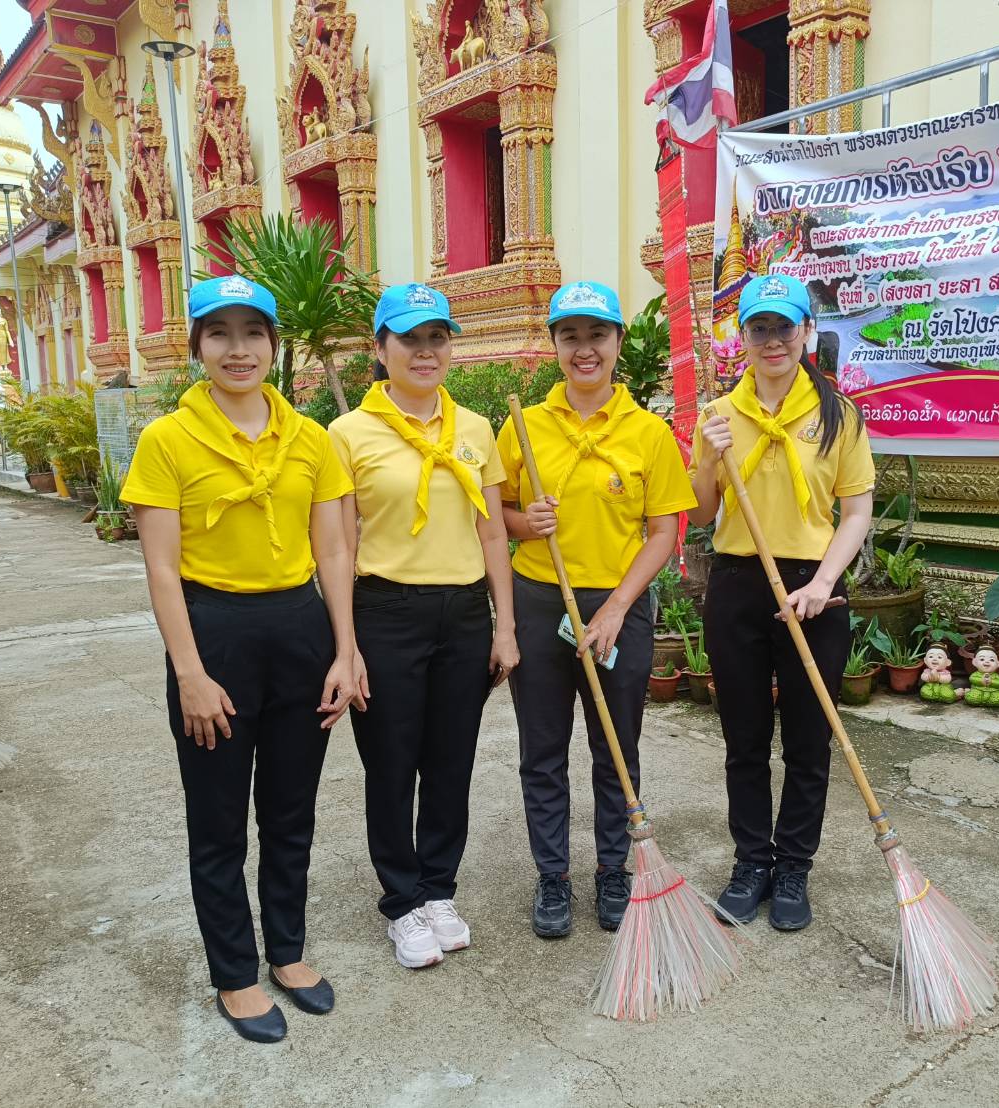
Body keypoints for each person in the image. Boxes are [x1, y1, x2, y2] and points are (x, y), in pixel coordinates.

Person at [121, 275, 365, 1044]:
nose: (238, 349)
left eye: (252, 333)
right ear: (197, 347)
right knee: (220, 821)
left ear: (273, 345)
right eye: (219, 333)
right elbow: (161, 567)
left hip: (300, 631)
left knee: (292, 811)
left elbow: (332, 549)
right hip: (214, 631)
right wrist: (190, 673)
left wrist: (345, 651)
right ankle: (234, 972)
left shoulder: (311, 437)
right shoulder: (167, 439)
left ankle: (287, 954)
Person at [496, 281, 696, 937]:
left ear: (616, 343)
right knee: (542, 749)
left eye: (597, 335)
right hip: (537, 600)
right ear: (554, 344)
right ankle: (552, 877)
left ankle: (614, 867)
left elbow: (665, 530)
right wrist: (526, 522)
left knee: (616, 750)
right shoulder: (521, 426)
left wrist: (614, 607)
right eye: (570, 336)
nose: (584, 350)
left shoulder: (648, 434)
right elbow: (494, 516)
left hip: (619, 605)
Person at [329, 283, 519, 971]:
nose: (426, 351)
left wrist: (503, 627)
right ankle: (402, 902)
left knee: (450, 761)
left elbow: (492, 532)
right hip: (386, 611)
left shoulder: (472, 429)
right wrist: (345, 647)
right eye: (410, 338)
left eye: (437, 338)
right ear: (380, 350)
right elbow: (340, 548)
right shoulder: (347, 434)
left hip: (464, 612)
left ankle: (439, 889)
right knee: (390, 763)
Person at [688, 273, 875, 931]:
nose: (771, 340)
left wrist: (823, 583)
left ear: (804, 332)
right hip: (739, 583)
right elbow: (704, 514)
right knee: (743, 740)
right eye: (758, 328)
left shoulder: (836, 414)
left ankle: (793, 867)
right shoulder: (717, 415)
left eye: (783, 327)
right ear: (741, 338)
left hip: (815, 587)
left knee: (807, 740)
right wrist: (707, 462)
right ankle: (751, 863)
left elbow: (854, 513)